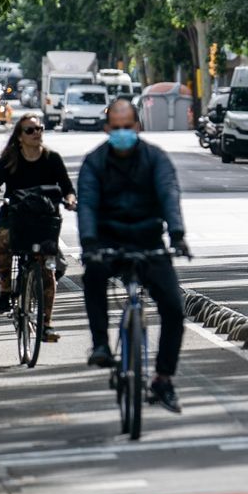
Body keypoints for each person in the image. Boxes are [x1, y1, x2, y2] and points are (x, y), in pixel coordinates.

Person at [77, 98, 190, 414]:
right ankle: (101, 344)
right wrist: (89, 243)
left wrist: (177, 235)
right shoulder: (94, 162)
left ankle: (163, 379)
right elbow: (86, 204)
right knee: (93, 277)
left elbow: (169, 194)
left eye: (127, 127)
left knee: (173, 308)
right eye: (116, 128)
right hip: (107, 242)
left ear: (138, 127)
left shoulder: (156, 158)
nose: (122, 133)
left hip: (148, 241)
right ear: (106, 129)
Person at [0, 115, 76, 341]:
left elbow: (68, 187)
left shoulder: (52, 158)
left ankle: (46, 325)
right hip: (15, 216)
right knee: (3, 240)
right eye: (30, 130)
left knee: (48, 270)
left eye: (39, 128)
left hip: (44, 219)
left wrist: (70, 200)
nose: (36, 133)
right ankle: (5, 291)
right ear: (20, 136)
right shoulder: (10, 160)